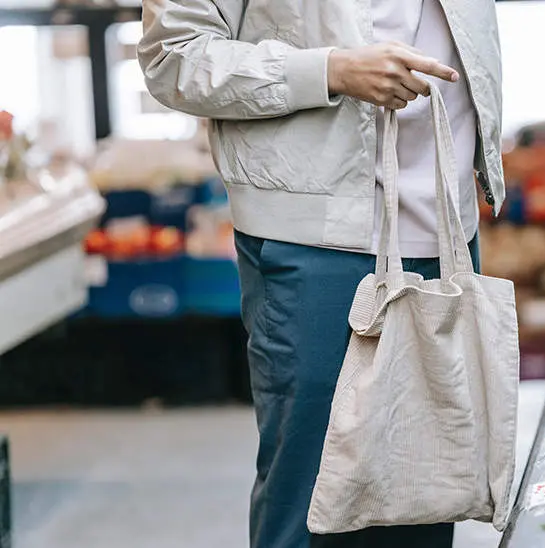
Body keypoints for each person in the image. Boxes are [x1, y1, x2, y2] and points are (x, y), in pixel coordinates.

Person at [137, 0, 504, 547]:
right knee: (311, 501)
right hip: (317, 236)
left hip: (446, 230)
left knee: (426, 495)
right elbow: (174, 55)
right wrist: (329, 70)